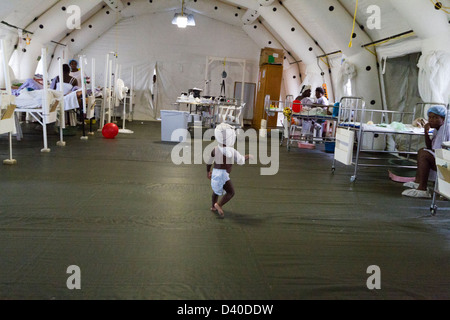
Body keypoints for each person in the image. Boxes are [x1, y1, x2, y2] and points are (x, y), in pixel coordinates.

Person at [402, 105, 450, 198]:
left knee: (424, 155)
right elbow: (430, 145)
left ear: (443, 118)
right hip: (444, 157)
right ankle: (418, 181)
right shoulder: (436, 128)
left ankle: (422, 188)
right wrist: (426, 130)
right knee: (422, 151)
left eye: (435, 117)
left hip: (447, 160)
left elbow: (435, 150)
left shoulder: (445, 128)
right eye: (430, 117)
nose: (432, 120)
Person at [206, 123, 252, 218]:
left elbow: (209, 162)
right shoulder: (231, 150)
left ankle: (213, 206)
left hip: (215, 172)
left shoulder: (215, 149)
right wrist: (249, 156)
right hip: (223, 175)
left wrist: (208, 171)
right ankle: (219, 205)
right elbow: (241, 160)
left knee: (216, 191)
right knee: (231, 192)